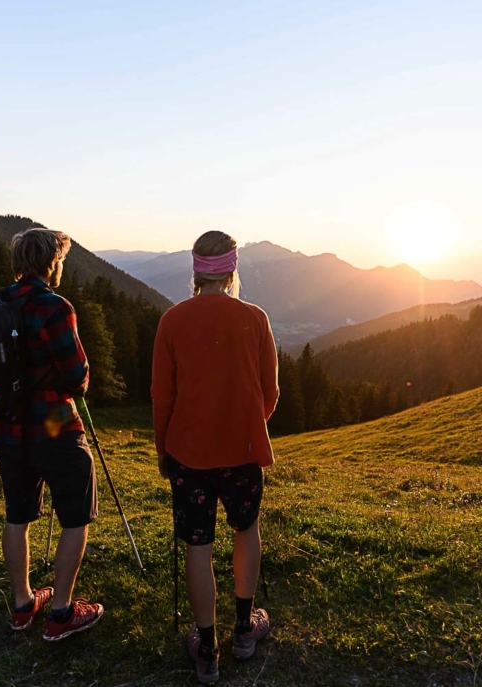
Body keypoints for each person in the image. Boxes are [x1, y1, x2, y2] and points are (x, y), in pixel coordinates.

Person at [151, 231, 279, 683]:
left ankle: (207, 650)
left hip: (188, 454)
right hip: (243, 452)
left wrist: (163, 447)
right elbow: (270, 394)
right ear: (231, 270)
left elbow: (162, 397)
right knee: (246, 529)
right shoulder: (256, 319)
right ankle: (245, 631)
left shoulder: (172, 320)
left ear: (195, 271)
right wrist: (247, 426)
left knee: (197, 546)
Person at [0, 227, 104, 642]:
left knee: (17, 516)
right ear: (50, 262)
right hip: (55, 429)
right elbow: (77, 377)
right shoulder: (53, 307)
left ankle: (23, 605)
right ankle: (60, 613)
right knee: (76, 516)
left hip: (8, 431)